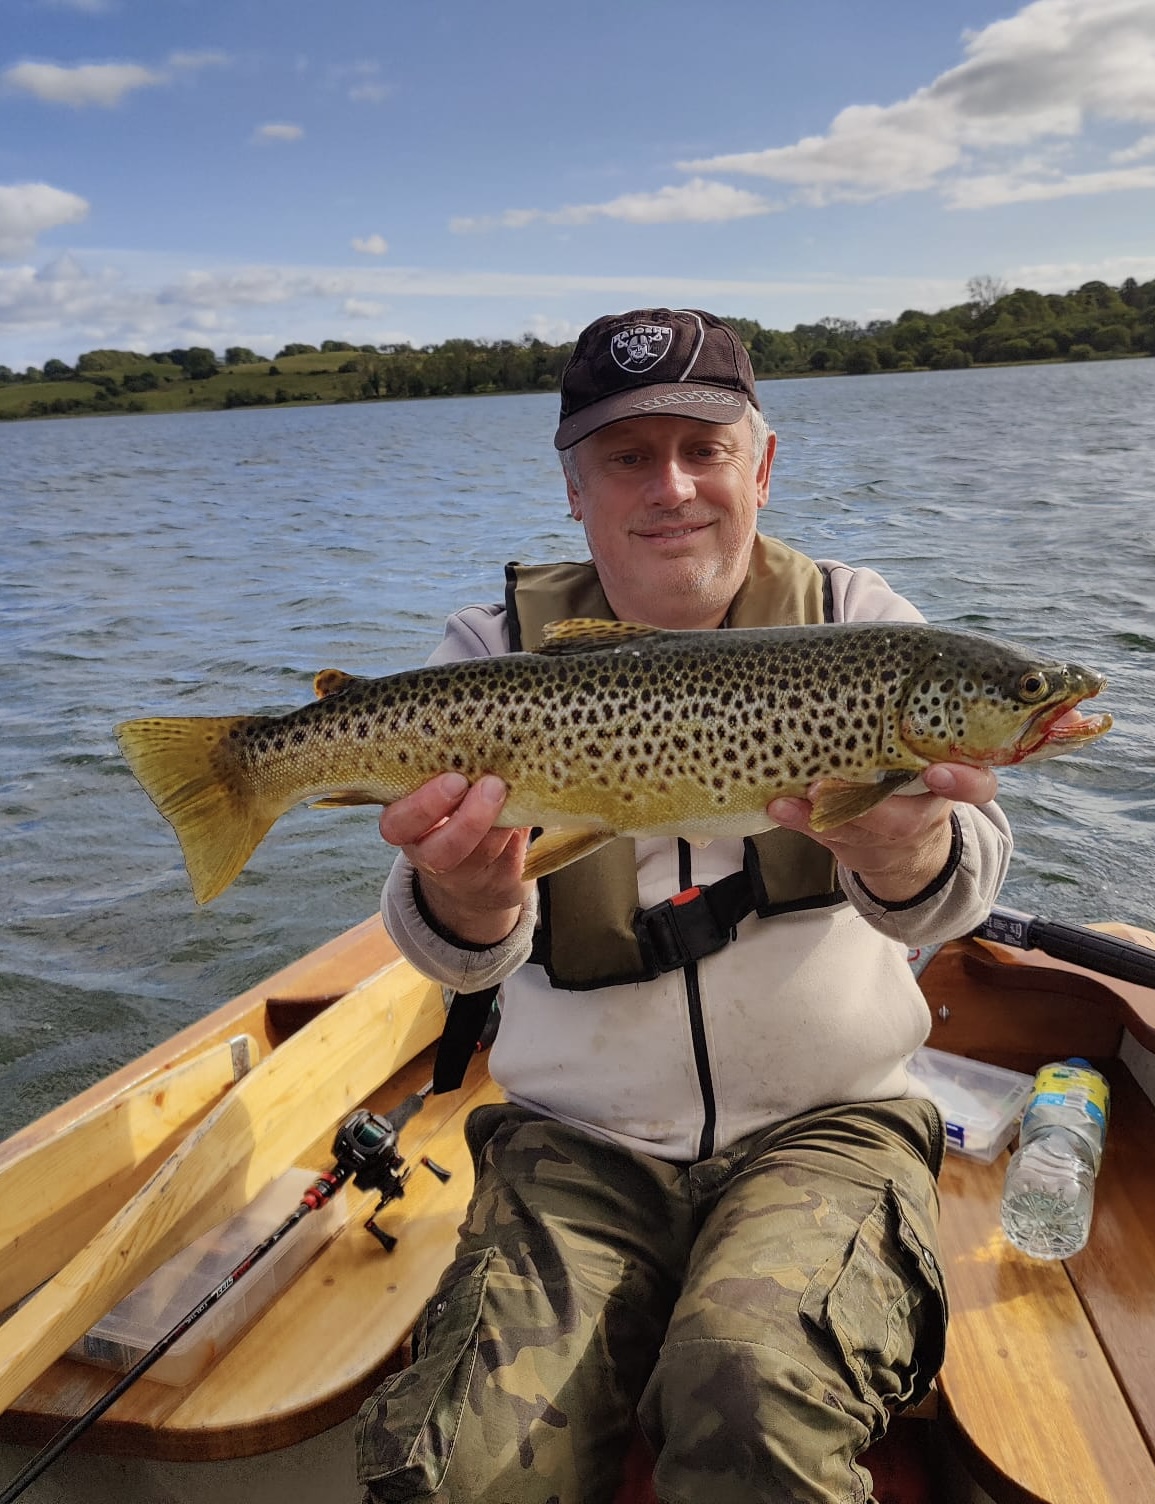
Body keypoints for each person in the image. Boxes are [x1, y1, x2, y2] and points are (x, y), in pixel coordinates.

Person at [355, 308, 1012, 1504]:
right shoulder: (487, 651)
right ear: (572, 489)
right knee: (453, 1477)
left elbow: (950, 902)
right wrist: (461, 894)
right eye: (625, 456)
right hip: (573, 1149)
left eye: (702, 449)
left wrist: (908, 845)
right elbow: (451, 964)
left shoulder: (858, 624)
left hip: (831, 1126)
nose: (671, 487)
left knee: (748, 1387)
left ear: (760, 465)